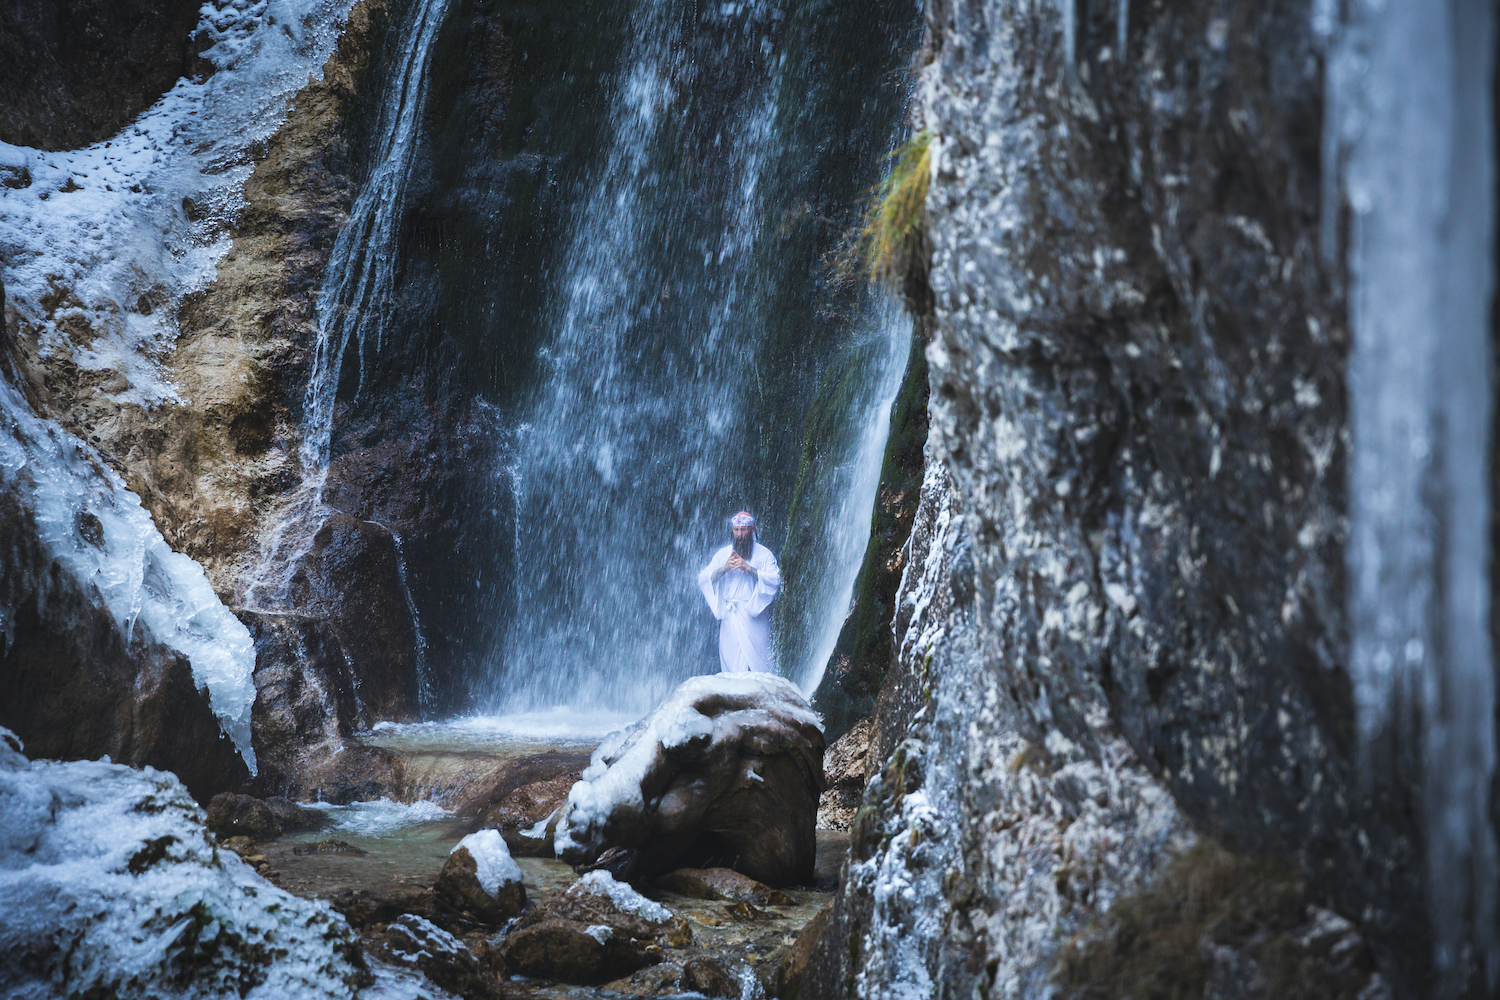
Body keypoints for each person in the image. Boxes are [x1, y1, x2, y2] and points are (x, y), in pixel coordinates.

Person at [697, 511, 782, 673]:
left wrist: (747, 568)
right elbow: (704, 579)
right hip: (730, 619)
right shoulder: (723, 555)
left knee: (758, 664)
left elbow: (774, 580)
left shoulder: (764, 554)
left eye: (744, 530)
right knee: (731, 665)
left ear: (752, 529)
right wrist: (724, 568)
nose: (740, 535)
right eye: (736, 530)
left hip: (754, 618)